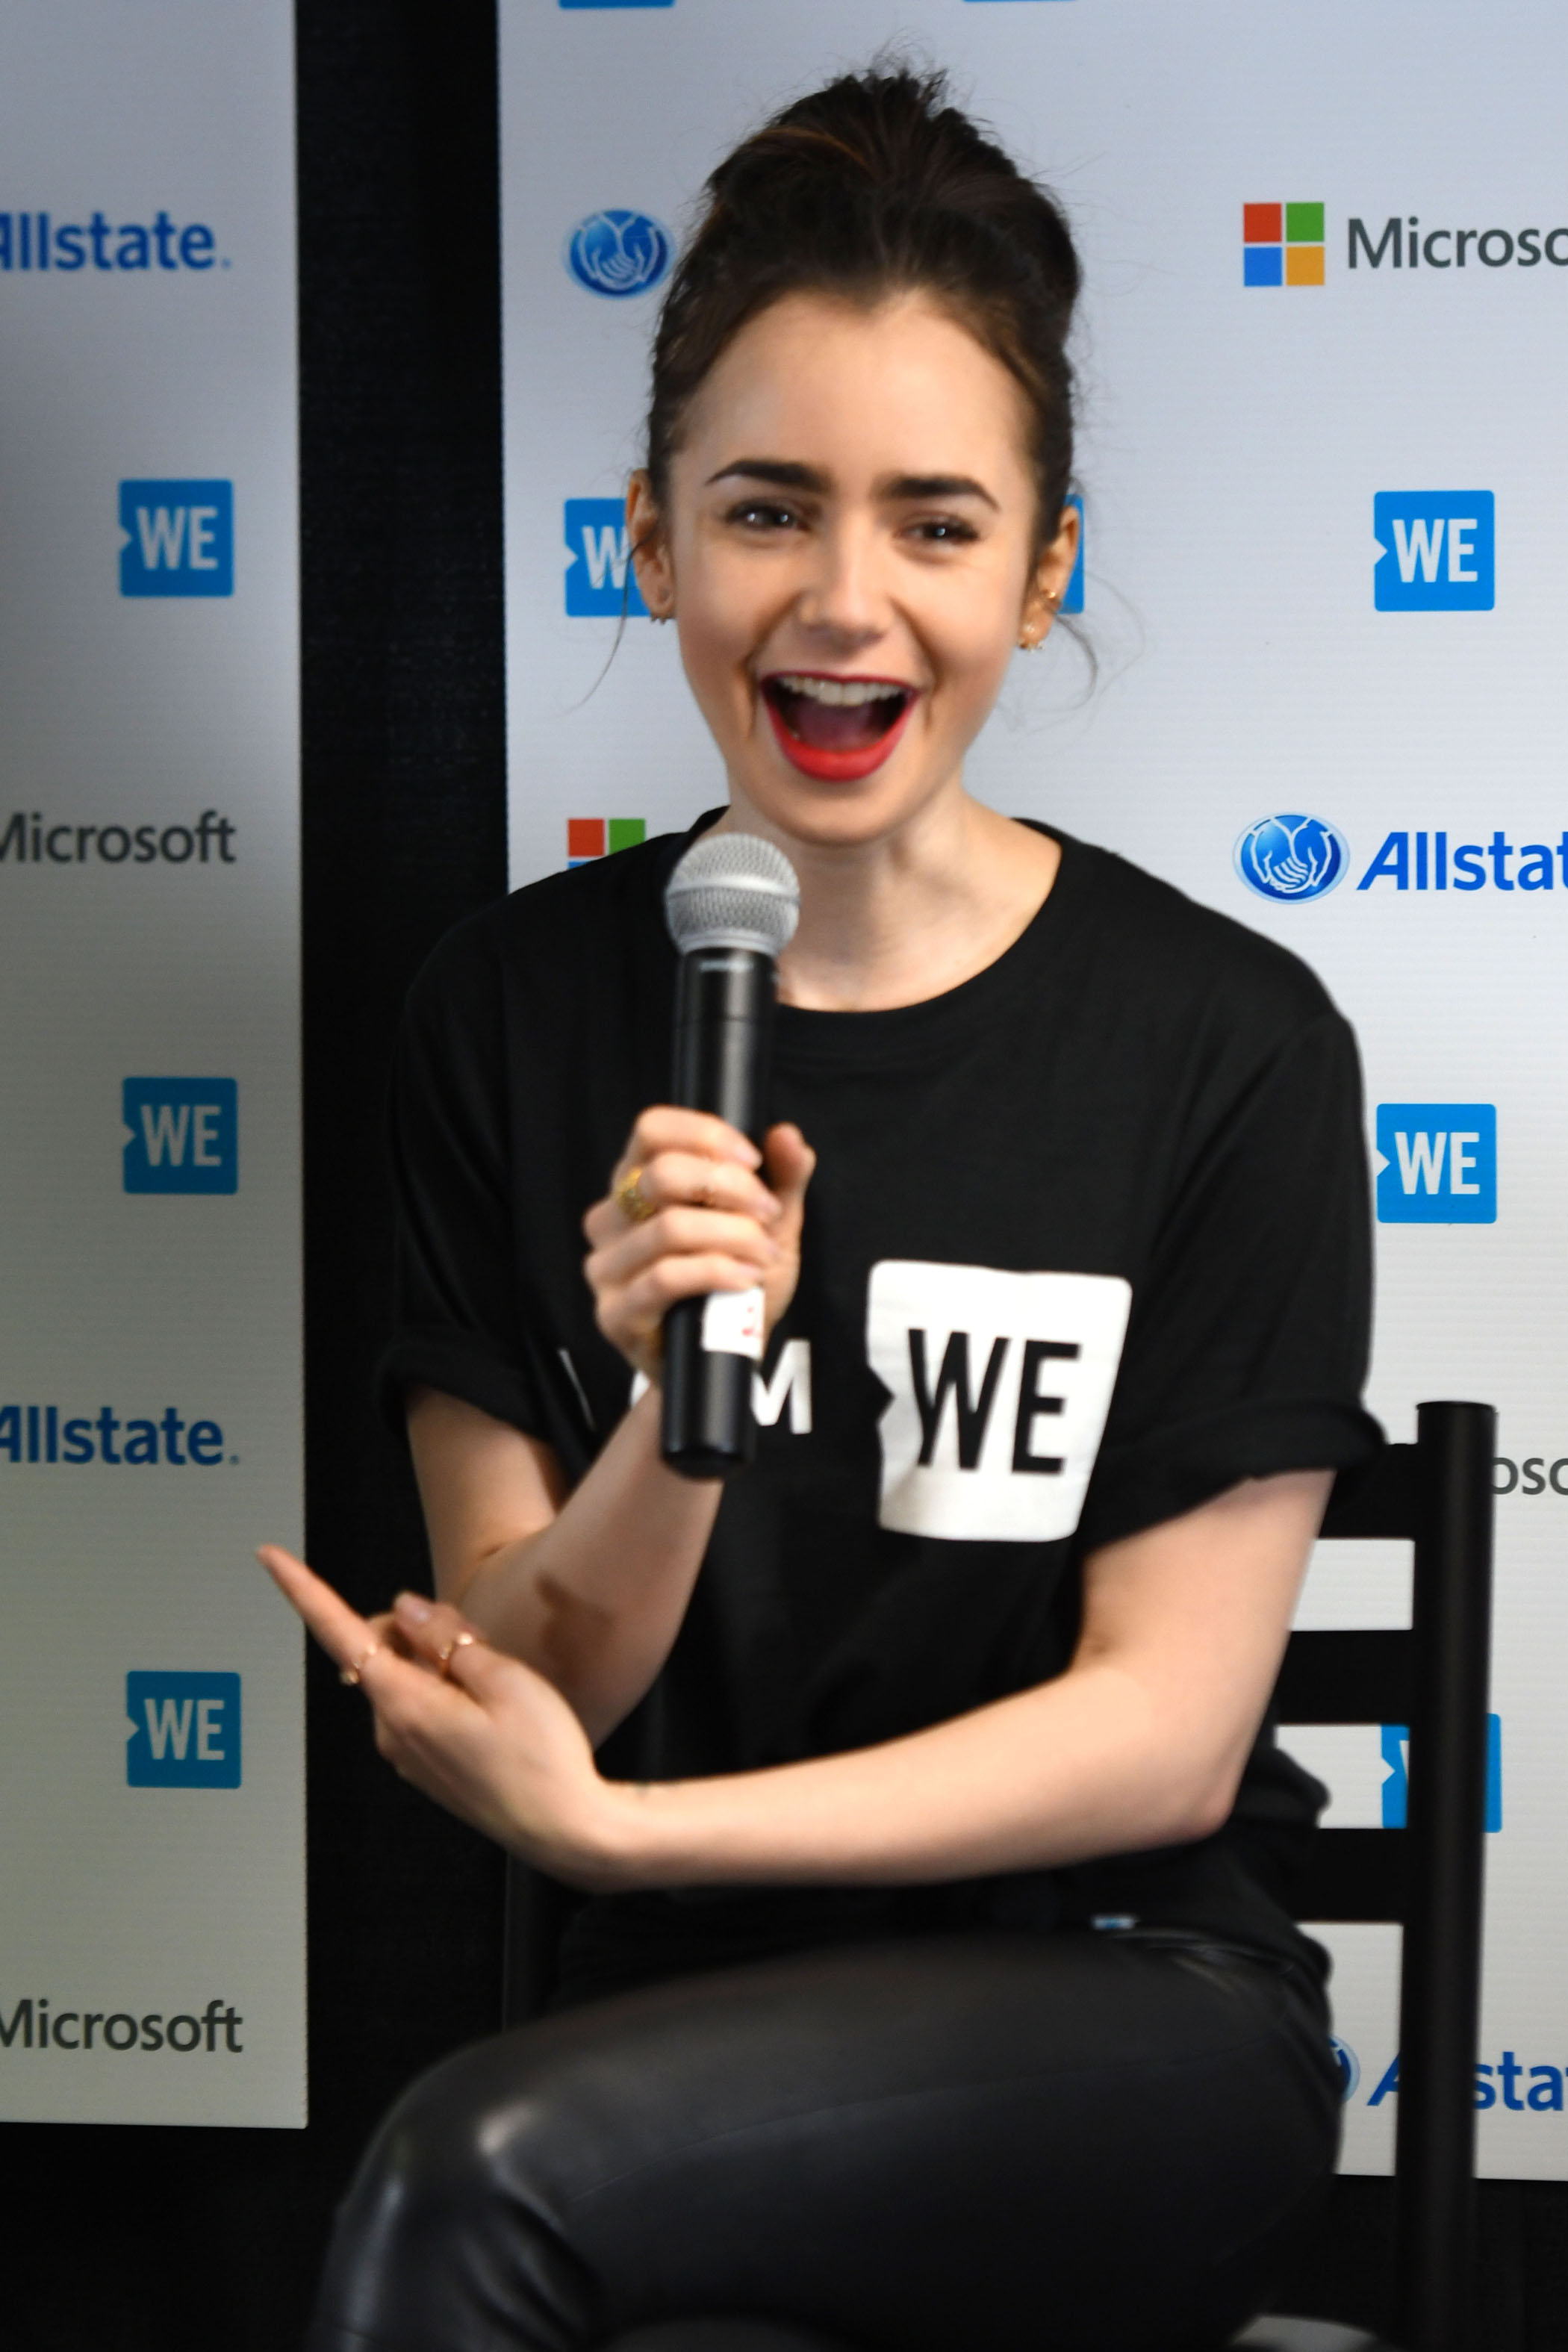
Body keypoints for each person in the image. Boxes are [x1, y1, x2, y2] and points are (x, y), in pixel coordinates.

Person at [264, 64, 1381, 2352]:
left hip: (1123, 1997)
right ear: (654, 540)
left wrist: (627, 1842)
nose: (842, 605)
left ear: (1044, 566)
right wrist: (680, 1411)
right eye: (767, 510)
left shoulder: (1229, 1039)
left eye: (937, 523)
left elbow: (1160, 1738)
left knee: (475, 2188)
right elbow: (533, 1679)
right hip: (674, 2030)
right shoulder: (508, 1011)